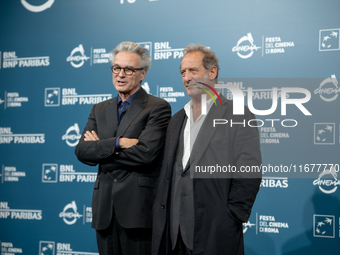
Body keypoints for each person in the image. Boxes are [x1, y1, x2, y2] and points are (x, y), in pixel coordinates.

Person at [152, 44, 262, 255]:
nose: (186, 77)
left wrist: (232, 215)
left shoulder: (237, 113)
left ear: (212, 72)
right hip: (173, 234)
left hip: (215, 232)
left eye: (193, 70)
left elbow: (249, 169)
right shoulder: (176, 120)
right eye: (183, 72)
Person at [75, 41, 171, 255]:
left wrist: (100, 148)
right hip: (104, 212)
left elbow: (146, 154)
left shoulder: (157, 107)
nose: (120, 74)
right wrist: (118, 143)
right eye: (116, 68)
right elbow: (82, 151)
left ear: (142, 73)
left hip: (138, 211)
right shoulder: (99, 109)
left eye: (128, 69)